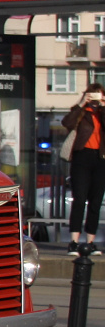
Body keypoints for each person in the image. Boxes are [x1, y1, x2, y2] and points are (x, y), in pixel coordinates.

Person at [63, 84, 105, 250]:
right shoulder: (81, 112)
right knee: (79, 200)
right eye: (92, 95)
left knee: (95, 201)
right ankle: (74, 241)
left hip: (101, 159)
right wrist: (81, 103)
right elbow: (67, 123)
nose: (94, 98)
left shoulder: (102, 112)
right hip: (82, 157)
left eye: (98, 95)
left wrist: (103, 106)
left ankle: (90, 242)